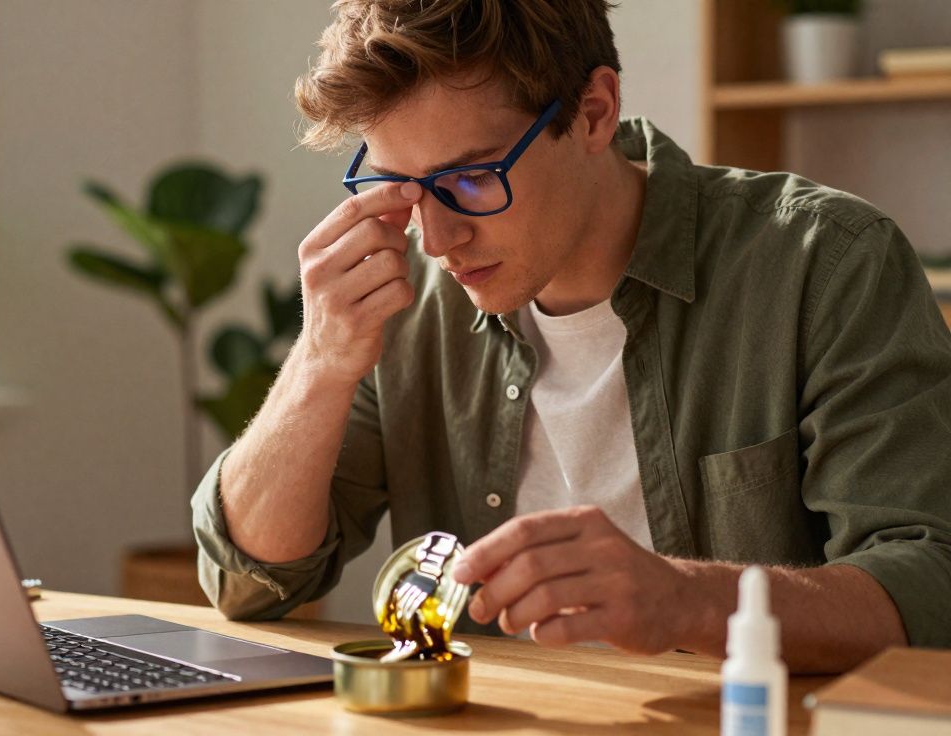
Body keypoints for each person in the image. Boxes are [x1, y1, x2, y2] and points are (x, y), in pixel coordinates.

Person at [191, 0, 951, 673]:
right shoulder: (401, 299)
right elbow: (249, 582)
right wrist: (319, 363)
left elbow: (930, 583)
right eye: (401, 187)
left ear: (594, 112)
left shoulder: (826, 263)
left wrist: (686, 599)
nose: (436, 238)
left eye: (471, 180)